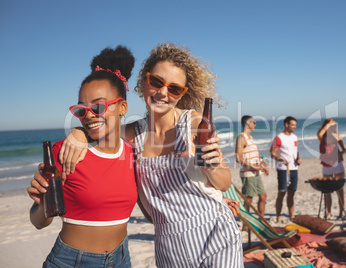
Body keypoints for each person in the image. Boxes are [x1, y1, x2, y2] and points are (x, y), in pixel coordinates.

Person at [58, 43, 243, 267]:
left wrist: (212, 167)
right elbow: (98, 128)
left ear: (183, 93)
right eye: (156, 81)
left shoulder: (193, 123)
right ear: (144, 81)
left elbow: (224, 183)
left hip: (216, 233)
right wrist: (78, 133)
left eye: (174, 89)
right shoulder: (130, 134)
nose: (162, 92)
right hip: (168, 245)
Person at [27, 46, 137, 267]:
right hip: (72, 261)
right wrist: (41, 205)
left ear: (122, 106)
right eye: (81, 110)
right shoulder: (65, 152)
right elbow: (39, 222)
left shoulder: (133, 154)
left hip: (122, 259)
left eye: (98, 106)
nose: (88, 115)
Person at [235, 115, 269, 224]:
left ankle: (261, 221)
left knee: (263, 196)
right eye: (253, 122)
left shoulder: (251, 139)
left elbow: (255, 155)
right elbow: (238, 157)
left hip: (256, 173)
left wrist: (262, 166)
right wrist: (253, 166)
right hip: (247, 173)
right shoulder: (241, 138)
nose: (255, 124)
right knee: (249, 199)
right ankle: (246, 224)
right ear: (247, 123)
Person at [270, 116, 302, 222]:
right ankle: (278, 216)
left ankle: (291, 215)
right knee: (282, 193)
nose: (295, 127)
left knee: (292, 193)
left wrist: (298, 159)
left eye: (295, 125)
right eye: (293, 125)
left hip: (294, 168)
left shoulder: (294, 137)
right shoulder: (279, 138)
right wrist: (280, 158)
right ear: (286, 125)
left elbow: (295, 151)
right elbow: (272, 153)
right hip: (283, 169)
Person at [317, 118, 346, 219]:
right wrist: (329, 124)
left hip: (337, 164)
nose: (333, 127)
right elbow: (320, 133)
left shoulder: (337, 136)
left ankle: (341, 213)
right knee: (327, 190)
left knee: (340, 189)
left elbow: (344, 149)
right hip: (326, 164)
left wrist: (341, 153)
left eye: (334, 125)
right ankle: (329, 212)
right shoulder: (322, 137)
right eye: (331, 125)